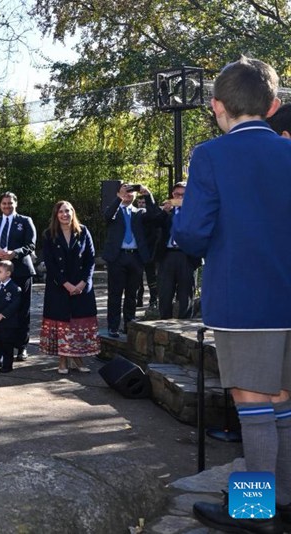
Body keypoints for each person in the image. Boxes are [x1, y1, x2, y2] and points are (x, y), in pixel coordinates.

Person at [173, 57, 291, 534]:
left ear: (217, 106)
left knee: (252, 404)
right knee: (283, 401)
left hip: (242, 300)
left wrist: (180, 217)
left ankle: (254, 511)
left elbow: (194, 235)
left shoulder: (210, 156)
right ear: (273, 104)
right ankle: (283, 499)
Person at [39, 201, 99, 374]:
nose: (64, 214)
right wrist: (66, 284)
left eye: (68, 211)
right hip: (59, 286)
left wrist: (82, 283)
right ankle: (63, 360)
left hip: (81, 287)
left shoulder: (83, 231)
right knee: (62, 323)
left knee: (77, 323)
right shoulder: (49, 235)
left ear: (73, 212)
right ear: (56, 215)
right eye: (61, 212)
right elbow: (50, 263)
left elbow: (90, 259)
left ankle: (77, 359)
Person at [0, 191, 37, 360]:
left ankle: (21, 347)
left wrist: (16, 253)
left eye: (10, 203)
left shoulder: (25, 221)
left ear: (16, 204)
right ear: (0, 205)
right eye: (4, 203)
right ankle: (0, 348)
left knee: (22, 310)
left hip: (21, 271)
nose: (7, 206)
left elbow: (31, 244)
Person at [101, 184, 158, 337]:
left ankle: (129, 324)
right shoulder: (114, 210)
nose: (128, 193)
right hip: (117, 257)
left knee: (132, 294)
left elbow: (154, 215)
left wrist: (147, 194)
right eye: (125, 190)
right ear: (118, 192)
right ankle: (113, 326)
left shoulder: (140, 212)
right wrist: (119, 198)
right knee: (115, 294)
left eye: (131, 191)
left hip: (135, 257)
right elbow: (107, 216)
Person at [154, 182, 201, 320]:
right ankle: (164, 323)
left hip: (187, 255)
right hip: (167, 255)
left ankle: (185, 322)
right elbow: (152, 224)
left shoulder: (195, 211)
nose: (180, 197)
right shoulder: (165, 211)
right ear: (172, 195)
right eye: (177, 194)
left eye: (183, 195)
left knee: (186, 294)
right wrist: (165, 212)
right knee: (165, 293)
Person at [0, 260, 21, 373]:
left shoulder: (15, 288)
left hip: (7, 322)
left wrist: (2, 315)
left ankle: (7, 365)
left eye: (0, 271)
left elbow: (14, 305)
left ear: (8, 273)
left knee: (7, 344)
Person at [135, 196, 159, 310]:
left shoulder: (151, 216)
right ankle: (138, 300)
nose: (141, 204)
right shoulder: (135, 215)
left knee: (151, 278)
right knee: (137, 278)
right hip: (138, 252)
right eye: (139, 202)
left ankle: (153, 300)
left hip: (150, 251)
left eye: (143, 202)